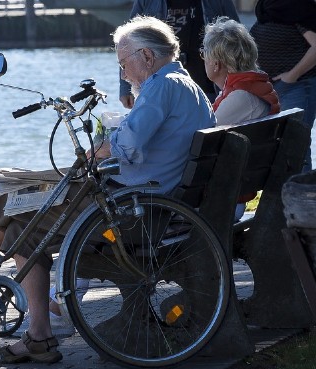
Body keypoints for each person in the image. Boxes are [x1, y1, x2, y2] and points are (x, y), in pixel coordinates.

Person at [0, 15, 215, 366]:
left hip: (135, 213)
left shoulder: (161, 87)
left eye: (123, 62)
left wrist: (99, 147)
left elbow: (129, 145)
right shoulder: (186, 84)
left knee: (16, 211)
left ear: (147, 57)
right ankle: (35, 331)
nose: (122, 73)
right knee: (18, 219)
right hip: (162, 203)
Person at [201, 16, 280, 220]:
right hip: (236, 189)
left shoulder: (241, 98)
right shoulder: (247, 89)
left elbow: (198, 138)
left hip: (223, 199)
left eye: (204, 54)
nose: (203, 60)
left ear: (216, 64)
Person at [120, 0, 239, 109]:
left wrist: (236, 85)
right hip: (162, 87)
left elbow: (235, 37)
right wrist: (126, 88)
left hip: (208, 83)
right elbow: (128, 40)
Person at [249, 0, 316, 170]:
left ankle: (304, 194)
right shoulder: (268, 6)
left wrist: (292, 76)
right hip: (274, 87)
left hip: (298, 86)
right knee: (283, 147)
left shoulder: (297, 7)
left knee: (296, 146)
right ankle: (287, 192)